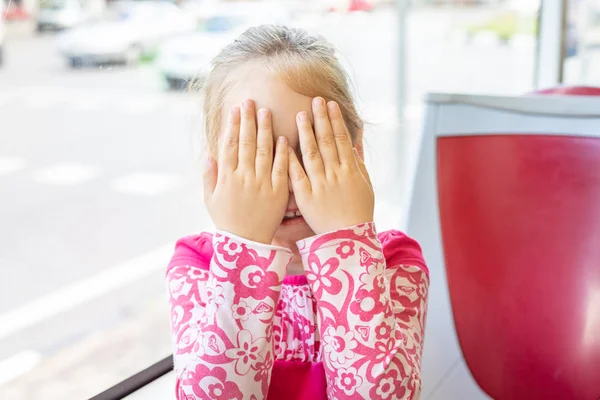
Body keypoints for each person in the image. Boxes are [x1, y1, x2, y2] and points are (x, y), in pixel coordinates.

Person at [165, 24, 429, 400]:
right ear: (217, 169)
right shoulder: (198, 267)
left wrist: (346, 239)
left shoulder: (392, 264)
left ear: (355, 157)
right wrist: (242, 244)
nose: (286, 182)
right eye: (257, 154)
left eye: (311, 152)